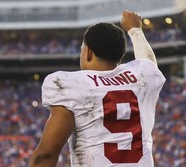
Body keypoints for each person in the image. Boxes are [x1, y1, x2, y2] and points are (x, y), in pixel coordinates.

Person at [29, 10, 166, 166]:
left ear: (88, 52)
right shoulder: (142, 78)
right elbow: (148, 62)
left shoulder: (71, 84)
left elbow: (46, 154)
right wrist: (135, 30)